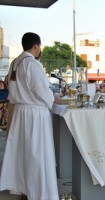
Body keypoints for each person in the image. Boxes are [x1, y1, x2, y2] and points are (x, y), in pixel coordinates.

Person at [0, 32, 59, 200]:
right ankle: (39, 191)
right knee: (36, 154)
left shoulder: (15, 62)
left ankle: (23, 186)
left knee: (23, 152)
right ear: (36, 46)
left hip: (20, 111)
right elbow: (40, 89)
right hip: (34, 113)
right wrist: (52, 99)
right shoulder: (32, 64)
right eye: (39, 46)